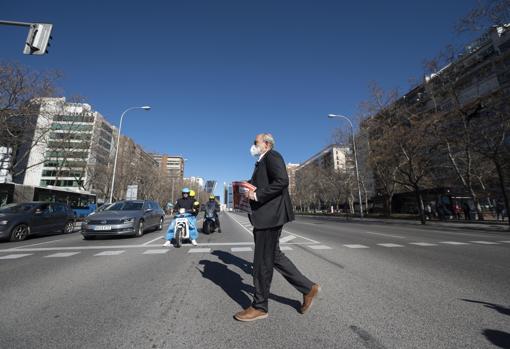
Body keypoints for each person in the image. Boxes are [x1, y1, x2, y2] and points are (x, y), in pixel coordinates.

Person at [234, 133, 319, 322]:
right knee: (274, 256)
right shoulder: (261, 162)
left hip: (270, 217)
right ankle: (308, 288)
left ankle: (259, 306)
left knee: (262, 261)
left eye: (255, 142)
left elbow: (282, 181)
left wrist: (257, 195)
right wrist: (245, 187)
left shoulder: (273, 156)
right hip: (266, 217)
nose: (252, 145)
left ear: (265, 144)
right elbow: (262, 184)